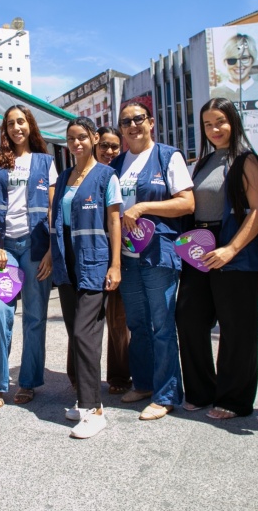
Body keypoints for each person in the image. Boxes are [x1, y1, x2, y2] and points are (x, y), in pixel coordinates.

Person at [175, 98, 258, 419]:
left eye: (220, 122)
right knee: (188, 318)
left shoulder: (245, 159)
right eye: (208, 124)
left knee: (236, 326)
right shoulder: (203, 162)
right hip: (199, 249)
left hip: (235, 250)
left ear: (233, 121)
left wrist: (231, 249)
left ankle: (233, 399)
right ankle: (201, 391)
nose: (214, 129)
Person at [111, 101, 194, 420]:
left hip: (159, 253)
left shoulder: (167, 156)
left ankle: (166, 394)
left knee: (162, 325)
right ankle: (144, 383)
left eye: (138, 119)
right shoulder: (118, 164)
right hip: (127, 256)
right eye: (125, 122)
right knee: (137, 324)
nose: (132, 126)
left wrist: (144, 207)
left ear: (151, 122)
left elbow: (187, 203)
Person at [0, 104, 57, 408]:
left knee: (35, 316)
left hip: (36, 247)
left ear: (30, 125)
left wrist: (51, 250)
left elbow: (52, 210)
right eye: (10, 123)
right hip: (4, 249)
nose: (16, 128)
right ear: (5, 129)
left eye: (21, 122)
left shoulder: (45, 162)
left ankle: (28, 381)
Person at [52, 118, 122, 439]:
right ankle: (85, 400)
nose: (76, 143)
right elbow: (57, 220)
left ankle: (94, 410)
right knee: (75, 333)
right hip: (67, 261)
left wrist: (115, 265)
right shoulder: (64, 177)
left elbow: (114, 221)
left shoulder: (107, 176)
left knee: (85, 333)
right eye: (71, 138)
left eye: (82, 137)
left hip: (94, 260)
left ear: (94, 138)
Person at [66, 126, 132, 394]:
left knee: (117, 321)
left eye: (115, 146)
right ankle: (79, 379)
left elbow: (115, 218)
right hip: (89, 254)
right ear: (96, 143)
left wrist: (115, 264)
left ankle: (118, 377)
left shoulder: (116, 172)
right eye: (104, 145)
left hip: (117, 252)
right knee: (83, 323)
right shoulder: (77, 174)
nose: (109, 151)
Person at [210, 33, 258, 104]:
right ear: (225, 62)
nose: (238, 65)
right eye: (232, 60)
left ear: (252, 60)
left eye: (244, 58)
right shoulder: (214, 94)